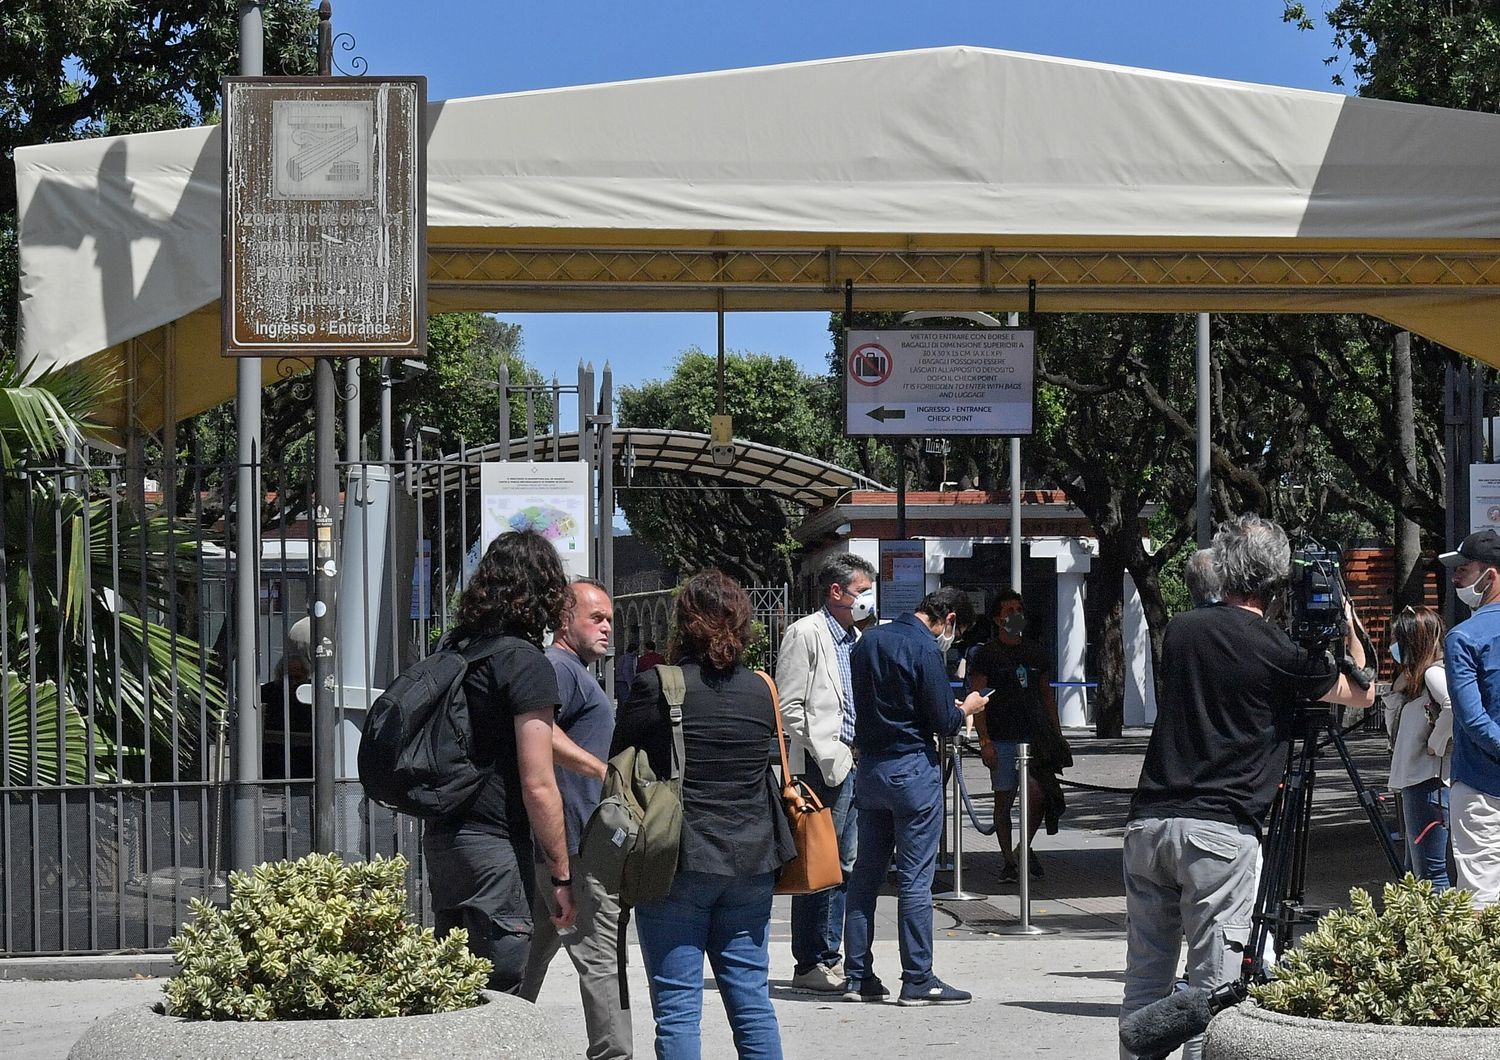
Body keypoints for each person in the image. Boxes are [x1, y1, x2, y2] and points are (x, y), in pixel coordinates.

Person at [1118, 514, 1373, 1060]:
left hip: (1150, 823)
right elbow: (1362, 695)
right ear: (1278, 579)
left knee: (1145, 981)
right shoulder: (1278, 651)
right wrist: (1346, 621)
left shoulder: (1182, 630)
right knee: (1215, 991)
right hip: (1220, 831)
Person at [611, 570, 795, 1059]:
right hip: (753, 859)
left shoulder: (659, 685)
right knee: (753, 1001)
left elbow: (619, 762)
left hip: (677, 859)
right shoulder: (762, 689)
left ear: (684, 622)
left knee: (677, 1008)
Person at [421, 530, 576, 995]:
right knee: (502, 987)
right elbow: (539, 784)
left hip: (444, 839)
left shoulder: (456, 651)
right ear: (546, 592)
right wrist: (562, 875)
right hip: (494, 847)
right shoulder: (525, 663)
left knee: (455, 990)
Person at [842, 586, 990, 1006]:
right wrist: (969, 707)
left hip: (870, 769)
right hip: (912, 770)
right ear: (950, 620)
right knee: (914, 879)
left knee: (865, 876)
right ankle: (918, 978)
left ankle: (856, 975)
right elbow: (943, 720)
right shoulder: (925, 649)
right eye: (954, 633)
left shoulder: (867, 640)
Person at [520, 578, 631, 1060]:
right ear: (564, 620)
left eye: (610, 619)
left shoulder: (575, 670)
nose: (608, 628)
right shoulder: (557, 667)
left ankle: (492, 1040)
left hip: (565, 846)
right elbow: (539, 734)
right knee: (603, 961)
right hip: (571, 848)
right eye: (596, 618)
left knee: (525, 963)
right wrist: (600, 770)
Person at [775, 553, 875, 993]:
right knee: (819, 862)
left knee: (845, 864)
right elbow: (788, 705)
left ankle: (831, 954)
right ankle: (810, 960)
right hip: (824, 767)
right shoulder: (806, 634)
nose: (867, 601)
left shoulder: (856, 638)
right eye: (861, 592)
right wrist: (825, 750)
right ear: (836, 592)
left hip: (856, 763)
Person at [968, 590, 1067, 882]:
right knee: (1004, 800)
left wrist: (1057, 733)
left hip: (1034, 737)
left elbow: (1047, 695)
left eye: (1019, 609)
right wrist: (984, 741)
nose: (1015, 615)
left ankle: (1024, 847)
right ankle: (1008, 861)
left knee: (1039, 794)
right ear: (998, 618)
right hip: (1002, 737)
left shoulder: (1036, 651)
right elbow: (978, 697)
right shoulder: (986, 654)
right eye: (1009, 610)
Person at [1440, 528, 1500, 907]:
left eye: (1464, 569)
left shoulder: (1463, 637)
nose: (1456, 578)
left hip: (1480, 784)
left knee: (1479, 900)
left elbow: (1472, 718)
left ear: (1490, 575)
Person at [1382, 606, 1453, 891]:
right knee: (1416, 873)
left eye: (1398, 638)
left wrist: (1436, 743)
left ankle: (1441, 934)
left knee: (1430, 875)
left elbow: (1453, 706)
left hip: (1429, 785)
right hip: (1417, 784)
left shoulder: (1433, 675)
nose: (1392, 646)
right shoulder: (1413, 681)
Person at [261, 616, 313, 780]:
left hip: (307, 758)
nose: (293, 683)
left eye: (298, 678)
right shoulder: (269, 692)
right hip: (275, 758)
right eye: (288, 678)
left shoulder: (312, 694)